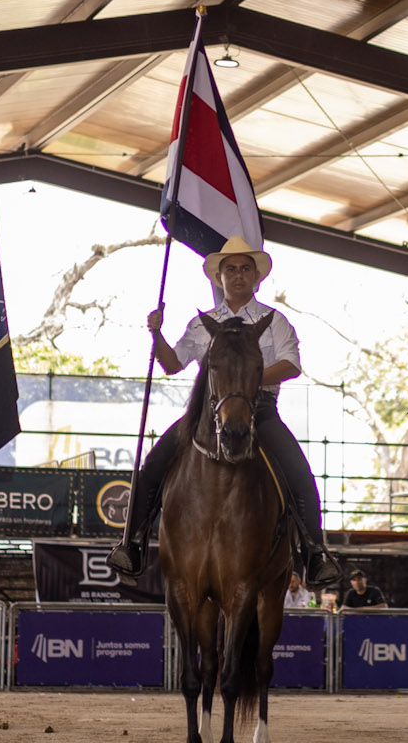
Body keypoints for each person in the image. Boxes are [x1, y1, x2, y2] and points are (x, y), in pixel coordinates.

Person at [108, 238, 342, 590]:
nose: (237, 275)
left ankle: (315, 553)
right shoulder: (203, 323)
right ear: (219, 278)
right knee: (153, 466)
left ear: (256, 277)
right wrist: (156, 334)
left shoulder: (273, 320)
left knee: (299, 472)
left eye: (244, 268)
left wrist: (244, 379)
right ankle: (132, 545)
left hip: (259, 410)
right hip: (205, 414)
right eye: (230, 269)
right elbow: (172, 364)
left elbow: (291, 366)